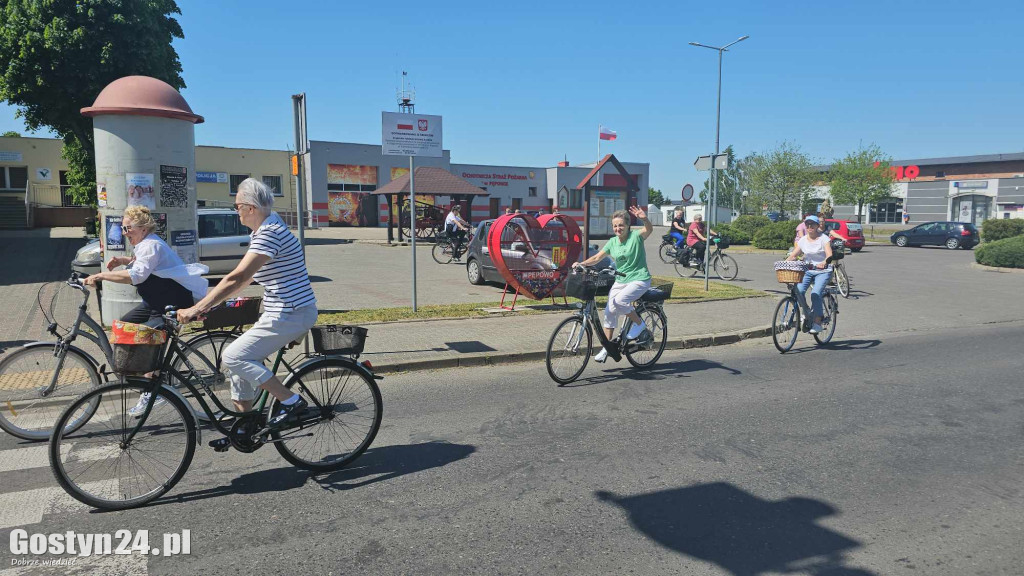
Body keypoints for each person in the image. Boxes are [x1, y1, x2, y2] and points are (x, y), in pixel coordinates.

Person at [177, 178, 318, 447]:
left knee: (233, 355)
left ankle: (291, 401)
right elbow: (250, 279)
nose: (236, 211)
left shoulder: (269, 233)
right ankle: (247, 425)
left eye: (237, 206)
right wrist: (214, 302)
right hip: (282, 310)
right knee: (241, 366)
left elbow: (238, 276)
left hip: (292, 312)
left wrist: (199, 307)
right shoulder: (267, 226)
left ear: (251, 208)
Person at [83, 205, 208, 415]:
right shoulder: (145, 245)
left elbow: (138, 275)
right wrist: (124, 260)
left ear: (143, 228)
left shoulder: (151, 245)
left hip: (171, 302)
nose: (125, 233)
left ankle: (153, 390)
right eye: (123, 229)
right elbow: (144, 265)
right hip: (154, 301)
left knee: (150, 339)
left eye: (128, 228)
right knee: (126, 326)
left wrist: (102, 275)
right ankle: (146, 377)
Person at [573, 206, 654, 363]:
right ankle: (607, 348)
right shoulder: (612, 242)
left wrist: (644, 218)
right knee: (610, 311)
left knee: (620, 301)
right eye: (615, 225)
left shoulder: (636, 236)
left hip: (639, 278)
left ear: (628, 226)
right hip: (621, 279)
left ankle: (639, 324)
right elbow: (597, 257)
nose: (618, 228)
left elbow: (649, 230)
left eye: (621, 225)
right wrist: (581, 264)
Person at [786, 215, 834, 334]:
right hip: (807, 270)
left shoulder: (824, 239)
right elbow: (793, 255)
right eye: (807, 224)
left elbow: (829, 255)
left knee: (815, 293)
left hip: (823, 271)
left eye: (812, 224)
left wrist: (824, 262)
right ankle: (806, 312)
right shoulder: (803, 240)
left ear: (818, 226)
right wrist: (784, 263)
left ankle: (817, 322)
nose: (809, 226)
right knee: (798, 290)